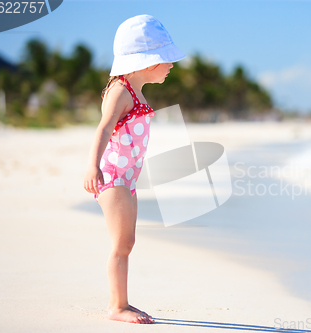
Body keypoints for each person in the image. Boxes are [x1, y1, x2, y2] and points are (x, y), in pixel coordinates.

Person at [83, 14, 185, 324]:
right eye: (166, 58)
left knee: (128, 242)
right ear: (146, 60)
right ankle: (117, 306)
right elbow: (103, 128)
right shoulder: (120, 91)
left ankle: (122, 302)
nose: (171, 65)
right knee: (121, 243)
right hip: (112, 178)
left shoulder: (135, 91)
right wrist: (92, 166)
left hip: (127, 180)